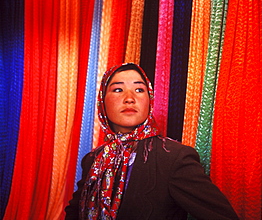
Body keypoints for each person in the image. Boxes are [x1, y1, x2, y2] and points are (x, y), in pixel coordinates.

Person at [65, 63, 239, 220]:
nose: (129, 98)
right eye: (118, 90)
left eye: (139, 90)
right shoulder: (95, 159)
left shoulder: (173, 158)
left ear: (150, 100)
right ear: (102, 101)